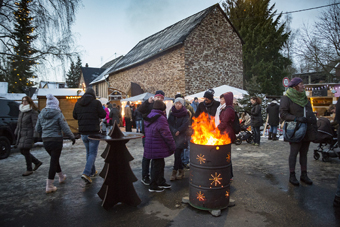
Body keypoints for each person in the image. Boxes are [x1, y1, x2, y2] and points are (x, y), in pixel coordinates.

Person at [280, 77, 317, 186]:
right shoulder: (286, 98)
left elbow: (309, 111)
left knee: (304, 153)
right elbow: (283, 114)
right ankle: (292, 175)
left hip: (307, 129)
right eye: (301, 84)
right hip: (295, 130)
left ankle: (304, 175)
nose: (303, 86)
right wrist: (296, 118)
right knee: (294, 153)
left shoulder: (305, 98)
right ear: (295, 86)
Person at [35, 94, 76, 193]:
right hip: (56, 140)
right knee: (53, 161)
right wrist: (72, 137)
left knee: (54, 159)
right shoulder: (58, 114)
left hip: (46, 140)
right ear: (56, 104)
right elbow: (65, 127)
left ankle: (61, 176)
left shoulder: (41, 114)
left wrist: (44, 132)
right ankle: (49, 185)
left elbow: (37, 128)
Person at [73, 88, 106, 184]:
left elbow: (74, 116)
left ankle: (92, 171)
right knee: (92, 153)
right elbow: (103, 115)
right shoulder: (96, 103)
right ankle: (86, 173)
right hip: (94, 132)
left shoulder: (78, 103)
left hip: (83, 132)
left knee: (89, 152)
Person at [144, 100, 176, 192]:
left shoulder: (150, 115)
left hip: (151, 144)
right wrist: (172, 145)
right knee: (157, 165)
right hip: (158, 144)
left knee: (159, 164)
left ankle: (160, 181)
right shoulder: (161, 118)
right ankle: (153, 185)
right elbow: (166, 134)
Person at [137, 90, 166, 186]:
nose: (159, 99)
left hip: (157, 136)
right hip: (147, 134)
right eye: (157, 97)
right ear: (154, 97)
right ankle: (145, 176)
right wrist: (147, 102)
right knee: (147, 156)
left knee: (155, 157)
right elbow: (140, 110)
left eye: (161, 98)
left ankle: (155, 178)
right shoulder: (149, 104)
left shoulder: (162, 108)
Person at [15, 96, 42, 176]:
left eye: (26, 101)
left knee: (25, 150)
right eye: (23, 101)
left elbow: (35, 124)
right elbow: (19, 123)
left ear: (29, 102)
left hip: (29, 133)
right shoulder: (22, 111)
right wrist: (17, 131)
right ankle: (37, 162)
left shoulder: (32, 111)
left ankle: (29, 169)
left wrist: (35, 135)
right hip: (22, 133)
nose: (24, 102)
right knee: (21, 150)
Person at [168, 97, 189, 181]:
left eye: (180, 103)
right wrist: (173, 130)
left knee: (177, 154)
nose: (178, 105)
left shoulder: (185, 113)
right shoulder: (172, 113)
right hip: (174, 136)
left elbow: (186, 124)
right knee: (177, 155)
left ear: (182, 104)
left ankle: (174, 172)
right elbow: (169, 123)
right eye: (176, 103)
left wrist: (179, 130)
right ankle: (181, 171)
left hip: (182, 137)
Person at [175, 94, 194, 169]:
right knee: (179, 147)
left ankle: (185, 162)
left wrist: (191, 126)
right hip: (178, 132)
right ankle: (180, 162)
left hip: (187, 130)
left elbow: (193, 117)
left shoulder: (189, 108)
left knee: (186, 147)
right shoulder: (173, 109)